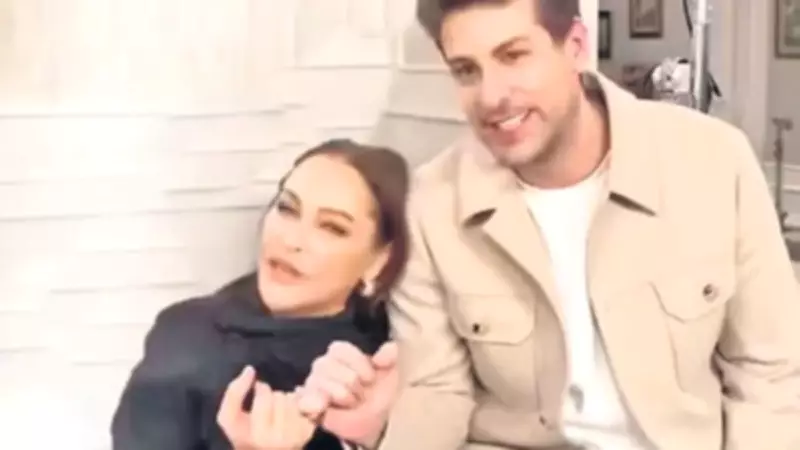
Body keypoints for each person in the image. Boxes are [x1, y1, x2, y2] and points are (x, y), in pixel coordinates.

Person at [296, 1, 800, 449]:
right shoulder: (430, 205)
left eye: (514, 56)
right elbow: (437, 393)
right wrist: (382, 435)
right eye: (467, 70)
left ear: (575, 47)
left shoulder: (714, 161)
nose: (492, 96)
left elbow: (770, 373)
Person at [110, 139, 410, 450]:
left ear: (380, 260)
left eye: (332, 228)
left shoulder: (392, 359)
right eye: (287, 209)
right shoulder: (187, 337)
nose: (291, 240)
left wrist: (374, 438)